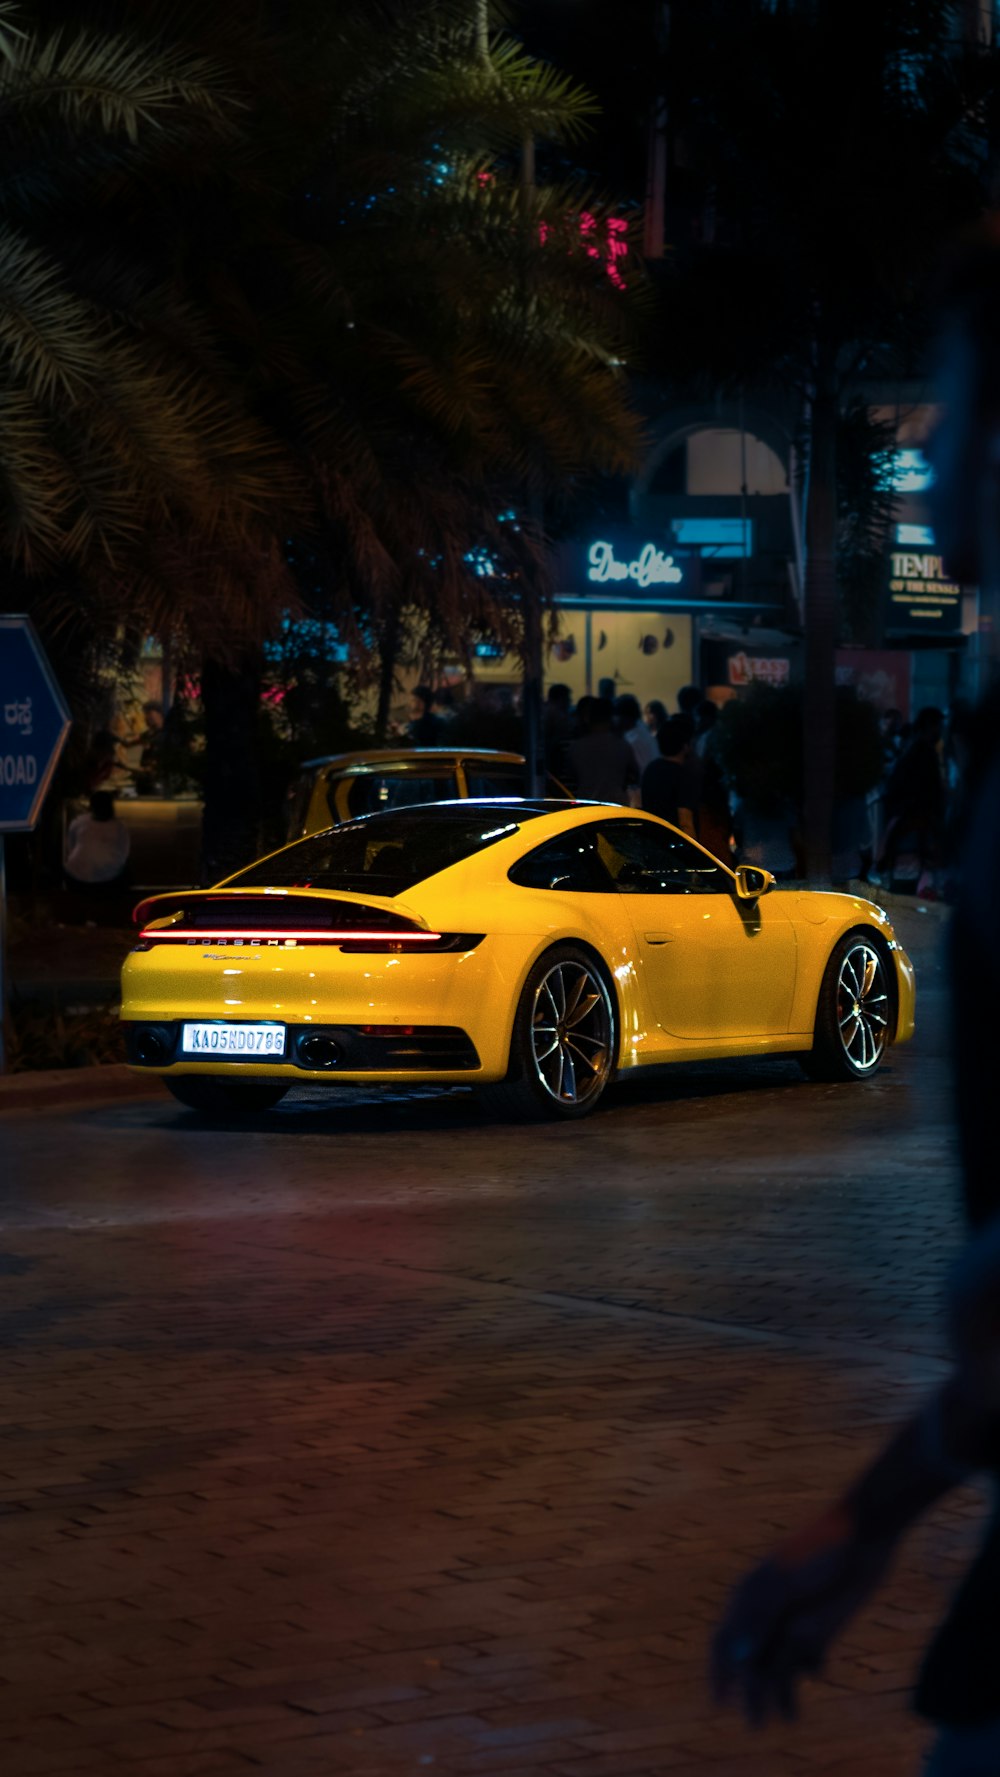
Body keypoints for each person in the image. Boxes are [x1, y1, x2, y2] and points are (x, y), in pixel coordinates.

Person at [877, 706, 946, 894]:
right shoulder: (923, 753)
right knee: (909, 885)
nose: (940, 730)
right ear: (929, 726)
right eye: (937, 726)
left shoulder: (913, 749)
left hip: (907, 823)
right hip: (914, 824)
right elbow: (929, 791)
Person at [566, 696, 637, 803]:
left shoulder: (576, 747)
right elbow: (634, 775)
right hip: (616, 807)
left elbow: (571, 776)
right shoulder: (622, 746)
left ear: (589, 718)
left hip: (586, 806)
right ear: (611, 718)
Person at [640, 716, 698, 839]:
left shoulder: (651, 769)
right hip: (674, 847)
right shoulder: (684, 775)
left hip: (652, 841)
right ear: (685, 746)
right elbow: (685, 823)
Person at [64, 791, 130, 894]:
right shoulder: (118, 826)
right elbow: (124, 852)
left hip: (76, 878)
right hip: (108, 880)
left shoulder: (79, 821)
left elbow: (71, 846)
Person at [614, 692, 658, 774]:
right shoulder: (641, 729)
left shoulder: (633, 741)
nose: (614, 720)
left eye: (616, 716)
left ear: (624, 717)